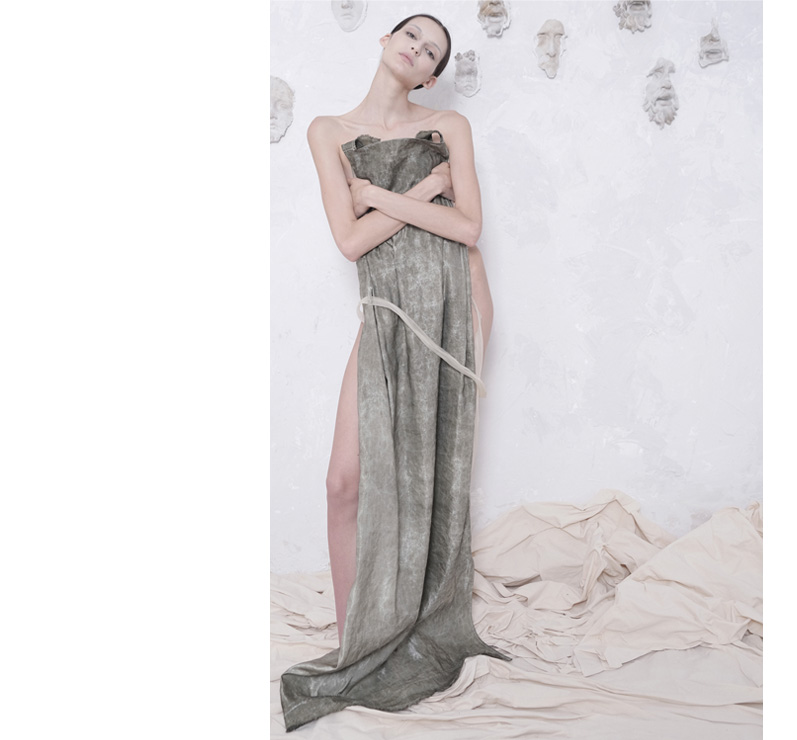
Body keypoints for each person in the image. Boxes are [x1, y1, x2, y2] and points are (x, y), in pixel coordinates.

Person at [279, 14, 507, 732]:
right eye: (411, 36)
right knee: (343, 482)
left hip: (454, 301)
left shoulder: (448, 126)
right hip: (385, 307)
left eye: (432, 52)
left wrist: (375, 195)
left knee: (424, 477)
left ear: (431, 77)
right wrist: (425, 190)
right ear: (385, 40)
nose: (418, 49)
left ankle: (412, 621)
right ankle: (359, 643)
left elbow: (467, 228)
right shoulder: (327, 131)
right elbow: (350, 243)